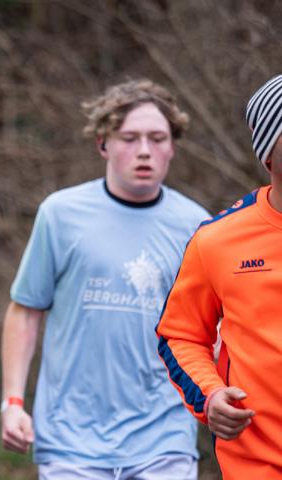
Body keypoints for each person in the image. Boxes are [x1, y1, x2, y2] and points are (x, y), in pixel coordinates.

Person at [1, 79, 210, 479]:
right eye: (129, 138)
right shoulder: (61, 214)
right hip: (70, 441)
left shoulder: (198, 226)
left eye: (157, 138)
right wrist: (12, 403)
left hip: (164, 437)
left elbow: (211, 329)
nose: (144, 150)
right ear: (103, 144)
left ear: (172, 147)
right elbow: (25, 311)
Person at [157, 74, 282, 479]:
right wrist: (210, 396)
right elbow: (180, 335)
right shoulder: (217, 239)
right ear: (269, 154)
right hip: (258, 465)